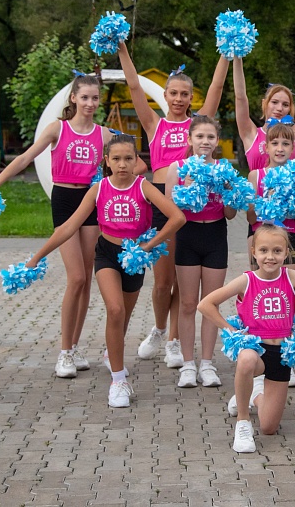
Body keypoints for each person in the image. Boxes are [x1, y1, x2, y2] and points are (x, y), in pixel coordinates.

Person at [0, 73, 145, 378]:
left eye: (95, 98)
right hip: (64, 199)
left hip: (92, 201)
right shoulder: (58, 128)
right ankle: (64, 351)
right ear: (73, 98)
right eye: (84, 97)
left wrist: (116, 178)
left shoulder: (104, 134)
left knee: (86, 278)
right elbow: (24, 159)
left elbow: (137, 163)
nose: (90, 103)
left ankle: (75, 346)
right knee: (76, 278)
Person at [25, 134, 185, 407]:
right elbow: (68, 226)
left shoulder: (143, 186)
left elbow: (177, 217)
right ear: (107, 161)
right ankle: (118, 381)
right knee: (115, 310)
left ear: (136, 161)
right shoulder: (98, 189)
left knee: (123, 318)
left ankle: (112, 354)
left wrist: (149, 245)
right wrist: (37, 257)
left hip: (134, 257)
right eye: (117, 159)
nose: (122, 164)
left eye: (128, 158)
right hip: (107, 254)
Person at [118, 42, 228, 368]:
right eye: (174, 93)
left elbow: (218, 87)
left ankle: (174, 341)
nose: (179, 99)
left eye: (185, 94)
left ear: (191, 98)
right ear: (165, 95)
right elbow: (134, 85)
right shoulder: (155, 125)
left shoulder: (199, 125)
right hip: (160, 203)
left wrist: (227, 50)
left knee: (184, 279)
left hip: (191, 206)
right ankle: (159, 328)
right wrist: (123, 48)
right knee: (163, 281)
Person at [197, 224, 295, 453]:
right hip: (256, 349)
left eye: (277, 251)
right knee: (246, 359)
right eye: (263, 250)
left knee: (269, 427)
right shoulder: (246, 280)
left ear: (286, 253)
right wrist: (231, 330)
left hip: (282, 354)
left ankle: (253, 395)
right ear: (254, 252)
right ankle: (243, 422)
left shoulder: (291, 277)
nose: (270, 257)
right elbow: (205, 304)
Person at [165, 116, 236, 389]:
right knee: (187, 303)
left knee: (210, 304)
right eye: (200, 136)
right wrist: (187, 187)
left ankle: (207, 363)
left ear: (217, 141)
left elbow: (230, 214)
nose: (205, 142)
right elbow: (170, 211)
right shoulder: (178, 168)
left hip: (216, 236)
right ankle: (187, 364)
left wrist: (228, 191)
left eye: (210, 137)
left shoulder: (223, 168)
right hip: (188, 236)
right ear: (190, 139)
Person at [247, 122, 295, 387]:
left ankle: (287, 356)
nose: (280, 148)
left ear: (293, 148)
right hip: (262, 240)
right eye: (275, 143)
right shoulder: (256, 175)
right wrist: (268, 199)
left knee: (288, 297)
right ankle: (259, 356)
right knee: (259, 297)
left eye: (286, 143)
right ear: (265, 147)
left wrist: (293, 201)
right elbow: (250, 218)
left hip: (291, 238)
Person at [232, 57, 295, 170]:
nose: (279, 108)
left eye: (285, 105)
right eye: (274, 102)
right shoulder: (251, 134)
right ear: (264, 103)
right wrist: (237, 56)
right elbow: (240, 97)